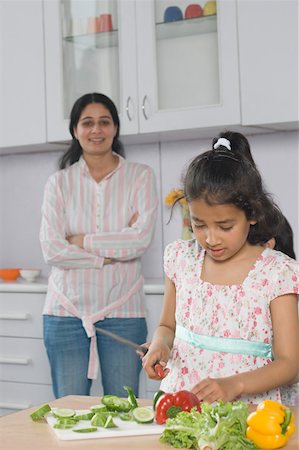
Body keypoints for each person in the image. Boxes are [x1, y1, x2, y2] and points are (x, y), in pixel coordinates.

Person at [143, 132, 299, 405]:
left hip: (249, 413)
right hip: (182, 404)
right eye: (199, 224)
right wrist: (160, 345)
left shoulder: (276, 273)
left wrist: (234, 385)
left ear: (252, 214)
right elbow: (167, 325)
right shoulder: (181, 259)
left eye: (225, 226)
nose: (210, 238)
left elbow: (290, 364)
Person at [40, 92, 158, 398]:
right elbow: (52, 249)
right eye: (88, 123)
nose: (97, 130)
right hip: (65, 310)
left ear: (115, 128)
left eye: (104, 122)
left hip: (124, 310)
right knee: (69, 410)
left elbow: (139, 240)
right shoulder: (59, 183)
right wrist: (105, 256)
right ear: (75, 130)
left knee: (123, 408)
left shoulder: (140, 176)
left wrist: (81, 241)